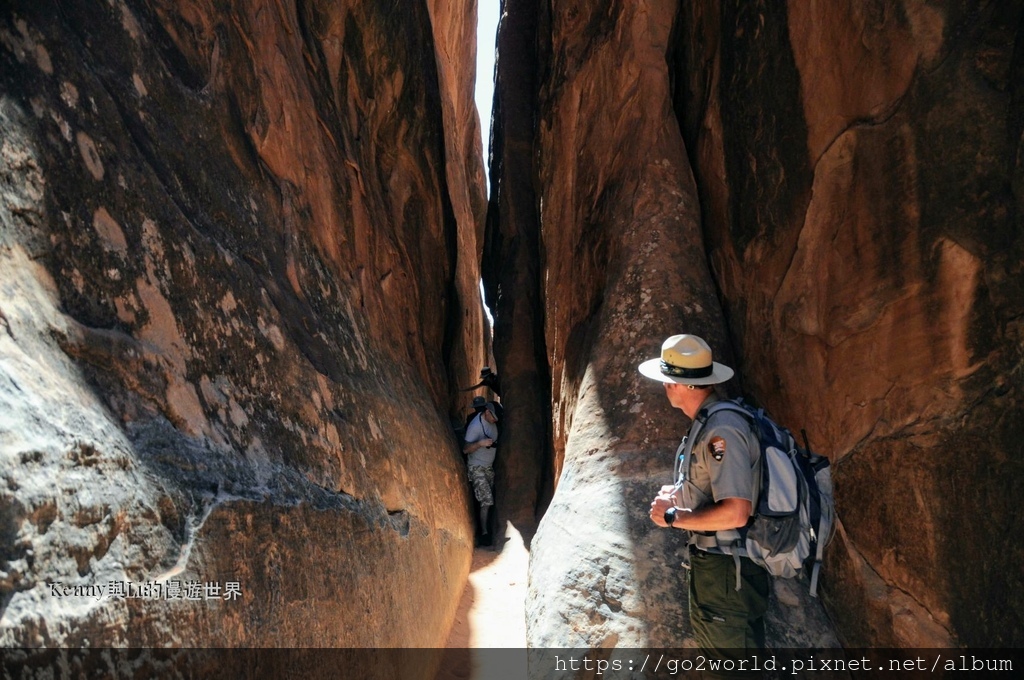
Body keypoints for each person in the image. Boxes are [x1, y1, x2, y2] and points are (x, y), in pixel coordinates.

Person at [638, 334, 768, 667]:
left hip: (728, 571)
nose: (665, 386)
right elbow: (712, 489)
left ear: (676, 384)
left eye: (668, 380)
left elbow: (736, 512)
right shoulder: (707, 423)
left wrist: (672, 517)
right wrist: (678, 495)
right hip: (719, 569)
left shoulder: (721, 429)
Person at [463, 400, 501, 546]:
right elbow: (465, 449)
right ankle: (484, 533)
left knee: (487, 499)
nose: (495, 420)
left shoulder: (493, 421)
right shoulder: (475, 427)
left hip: (488, 467)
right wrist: (480, 443)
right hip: (476, 466)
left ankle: (487, 526)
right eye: (494, 417)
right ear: (487, 412)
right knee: (486, 500)